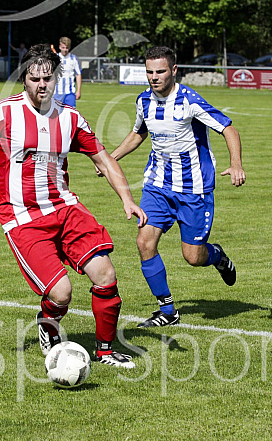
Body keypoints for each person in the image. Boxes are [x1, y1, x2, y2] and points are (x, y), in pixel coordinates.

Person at [0, 44, 147, 368]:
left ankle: (104, 351)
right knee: (61, 293)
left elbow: (103, 158)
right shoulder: (3, 113)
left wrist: (127, 198)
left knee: (105, 273)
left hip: (65, 207)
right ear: (23, 78)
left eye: (48, 78)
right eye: (34, 79)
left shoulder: (70, 118)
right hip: (22, 217)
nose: (42, 85)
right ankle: (49, 322)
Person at [100, 45, 246, 328]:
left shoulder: (190, 100)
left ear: (174, 71)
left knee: (193, 257)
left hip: (194, 190)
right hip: (157, 187)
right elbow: (139, 133)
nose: (154, 77)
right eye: (150, 72)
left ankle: (217, 257)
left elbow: (228, 128)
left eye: (160, 71)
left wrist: (236, 163)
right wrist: (109, 159)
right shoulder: (144, 101)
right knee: (144, 242)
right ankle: (167, 310)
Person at [53, 36, 82, 107]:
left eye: (67, 48)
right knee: (55, 115)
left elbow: (78, 74)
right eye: (63, 48)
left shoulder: (73, 58)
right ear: (59, 47)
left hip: (69, 93)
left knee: (71, 115)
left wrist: (78, 90)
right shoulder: (54, 58)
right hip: (56, 93)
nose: (65, 50)